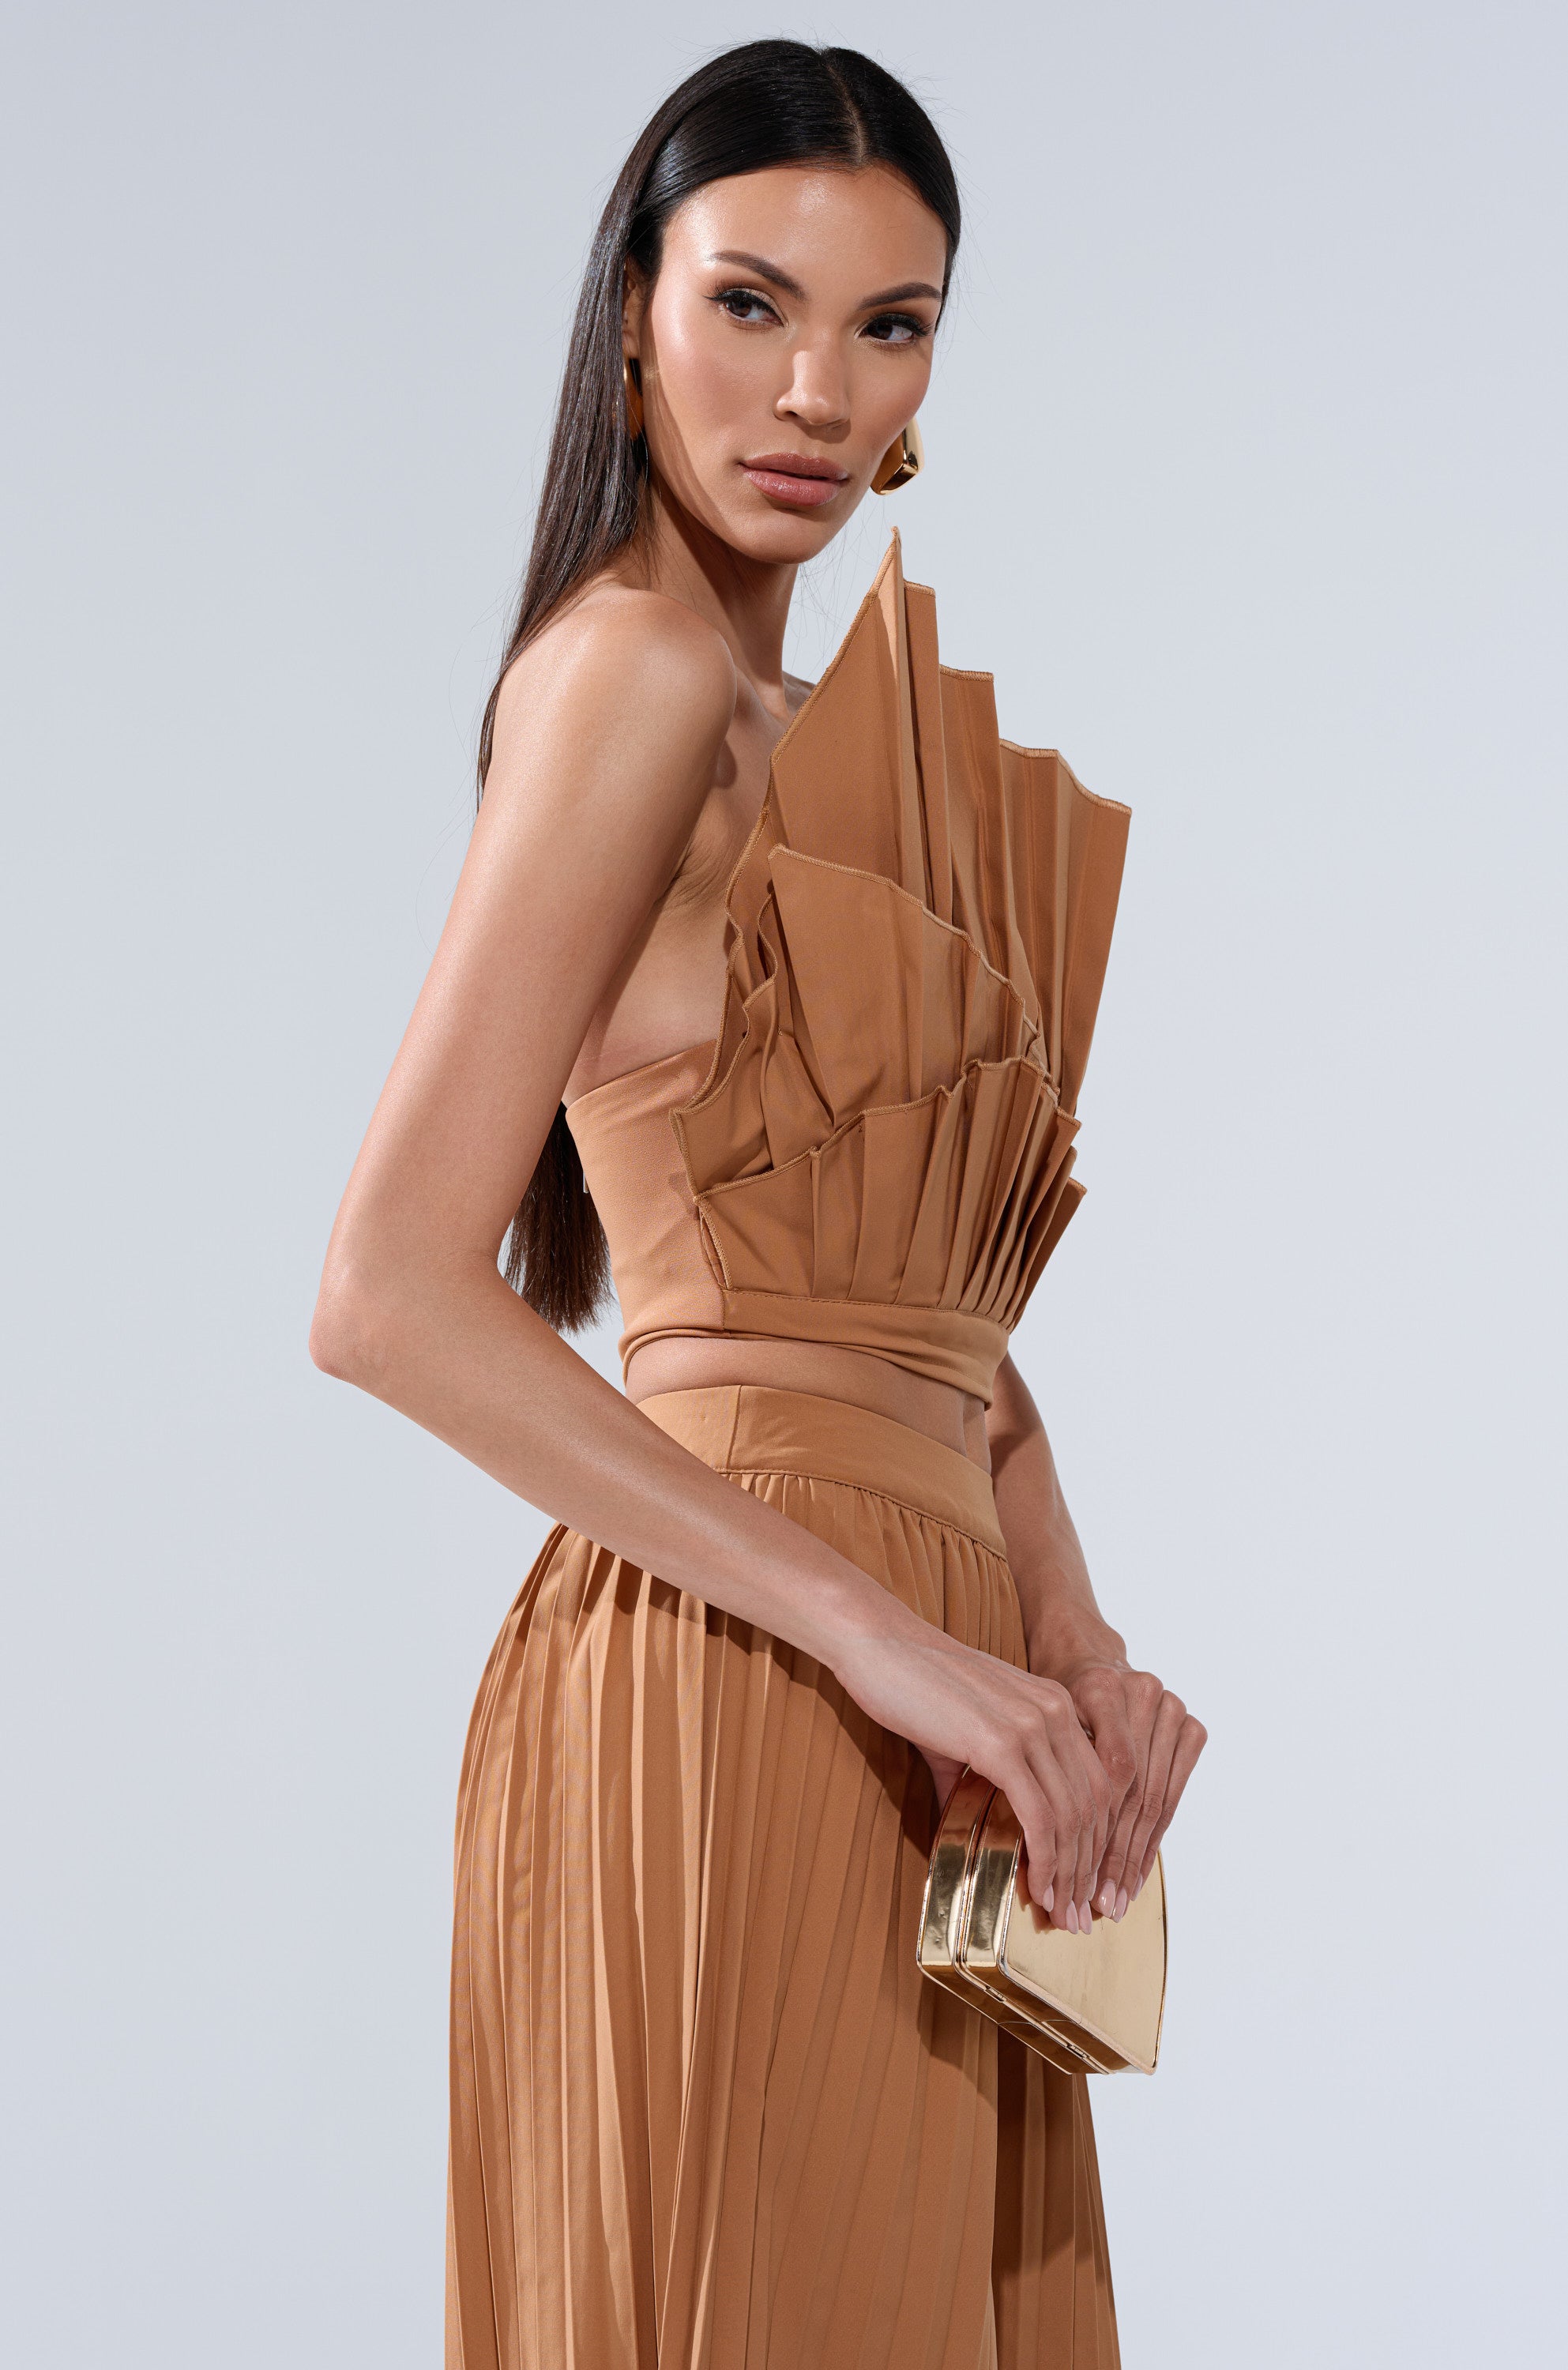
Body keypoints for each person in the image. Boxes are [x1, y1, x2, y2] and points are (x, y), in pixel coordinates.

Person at [310, 37, 1205, 2370]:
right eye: (751, 303)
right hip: (738, 1677)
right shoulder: (617, 671)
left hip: (928, 1691)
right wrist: (883, 1640)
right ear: (631, 312)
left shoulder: (794, 729)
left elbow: (927, 1324)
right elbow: (389, 1290)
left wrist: (1071, 1653)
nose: (818, 387)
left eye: (888, 323)